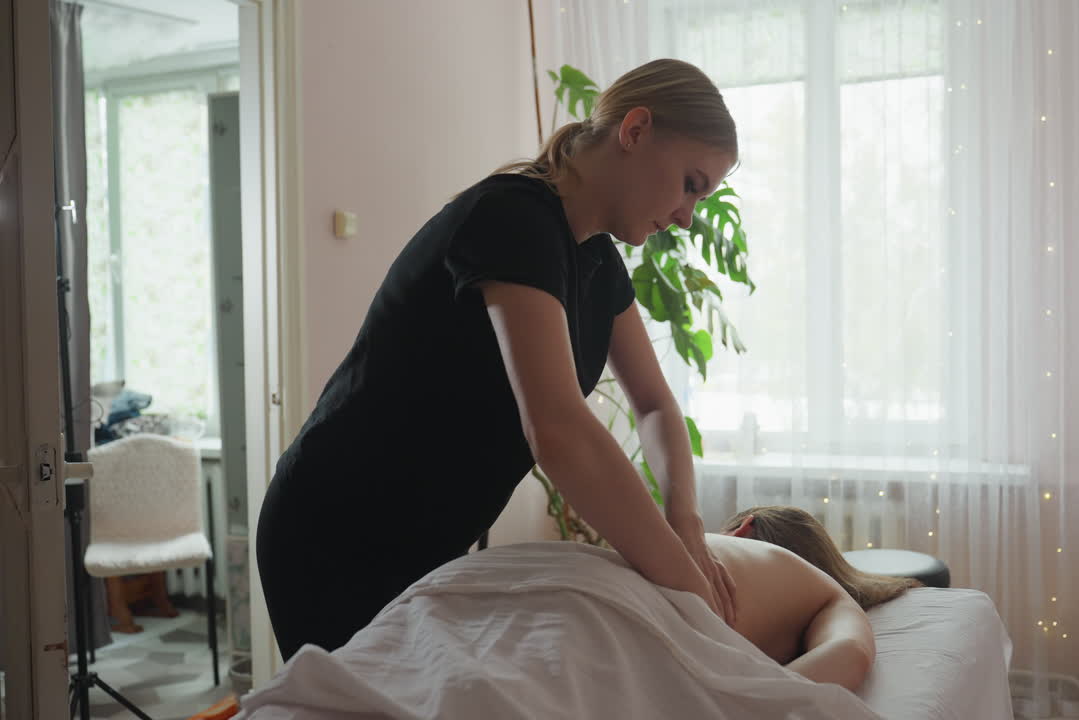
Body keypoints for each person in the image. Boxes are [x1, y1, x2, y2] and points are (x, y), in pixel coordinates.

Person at [255, 58, 739, 661]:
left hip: (428, 542)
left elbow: (656, 403)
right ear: (635, 131)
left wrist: (686, 522)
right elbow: (559, 432)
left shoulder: (598, 264)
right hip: (337, 530)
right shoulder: (513, 218)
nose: (689, 215)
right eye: (692, 183)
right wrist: (694, 598)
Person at [706, 506, 921, 692]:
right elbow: (848, 653)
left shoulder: (706, 546)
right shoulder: (823, 594)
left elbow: (848, 653)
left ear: (743, 528)